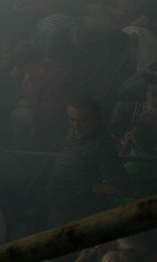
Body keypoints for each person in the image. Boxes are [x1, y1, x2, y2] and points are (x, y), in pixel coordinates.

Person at [47, 97, 132, 226]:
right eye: (72, 120)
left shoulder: (101, 147)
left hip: (76, 212)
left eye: (82, 120)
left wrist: (95, 189)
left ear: (95, 120)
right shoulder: (75, 132)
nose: (76, 125)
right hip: (56, 205)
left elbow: (124, 185)